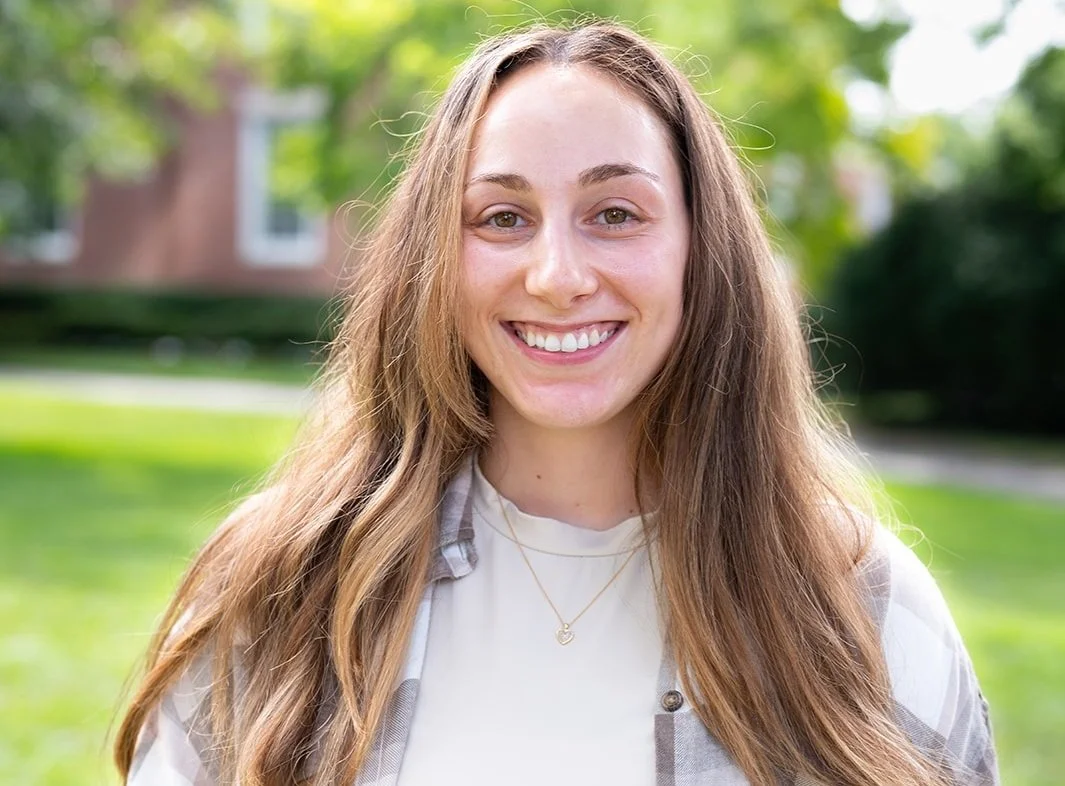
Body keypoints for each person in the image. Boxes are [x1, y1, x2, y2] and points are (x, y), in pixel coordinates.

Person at [114, 21, 998, 786]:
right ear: (435, 259)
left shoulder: (863, 609)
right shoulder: (284, 582)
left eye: (615, 213)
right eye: (500, 218)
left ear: (701, 249)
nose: (558, 277)